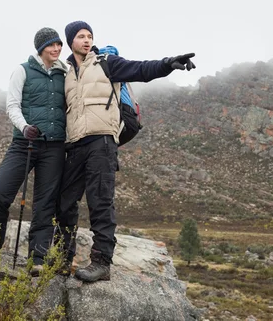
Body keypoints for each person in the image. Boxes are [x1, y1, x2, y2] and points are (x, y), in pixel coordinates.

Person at [56, 21, 195, 282]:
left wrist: (167, 64)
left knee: (100, 202)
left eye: (89, 36)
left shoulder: (106, 62)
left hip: (102, 142)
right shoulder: (64, 72)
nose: (86, 40)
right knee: (64, 204)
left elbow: (141, 69)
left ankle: (101, 263)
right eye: (80, 36)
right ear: (70, 41)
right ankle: (63, 257)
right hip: (74, 144)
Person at [0, 27, 68, 277]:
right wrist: (25, 126)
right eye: (51, 45)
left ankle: (38, 257)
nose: (57, 49)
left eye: (59, 44)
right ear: (40, 48)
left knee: (45, 203)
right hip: (24, 143)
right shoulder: (22, 70)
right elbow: (12, 105)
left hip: (55, 146)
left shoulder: (65, 72)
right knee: (0, 191)